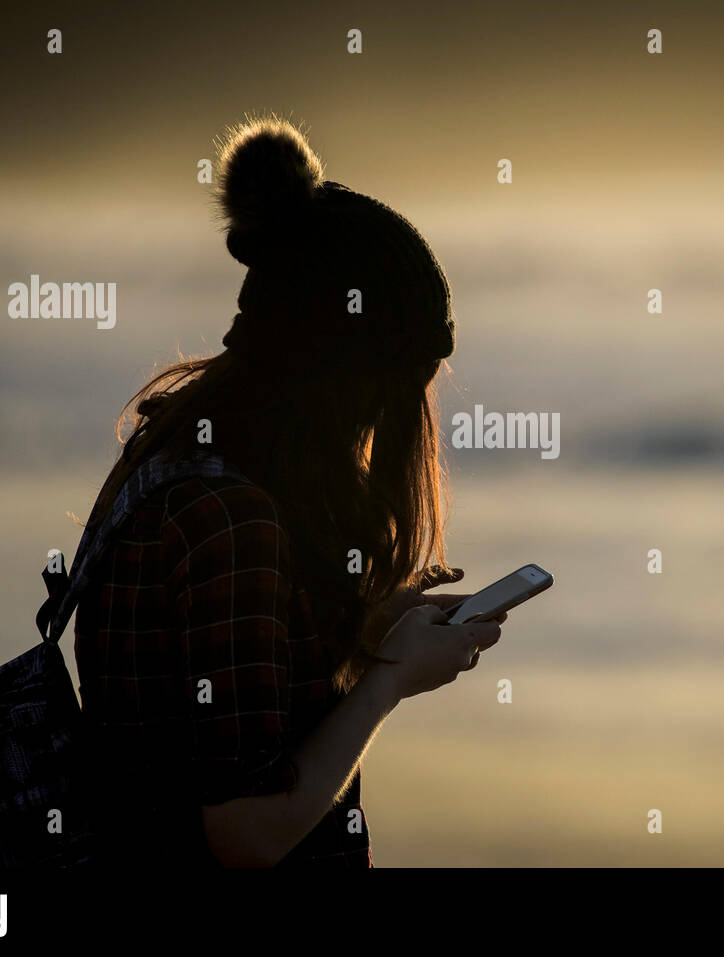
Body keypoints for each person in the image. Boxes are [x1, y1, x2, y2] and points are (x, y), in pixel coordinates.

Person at [72, 115, 504, 867]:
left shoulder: (181, 455)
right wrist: (389, 681)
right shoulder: (231, 523)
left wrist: (367, 629)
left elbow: (229, 690)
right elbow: (245, 831)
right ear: (341, 377)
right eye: (393, 395)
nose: (387, 429)